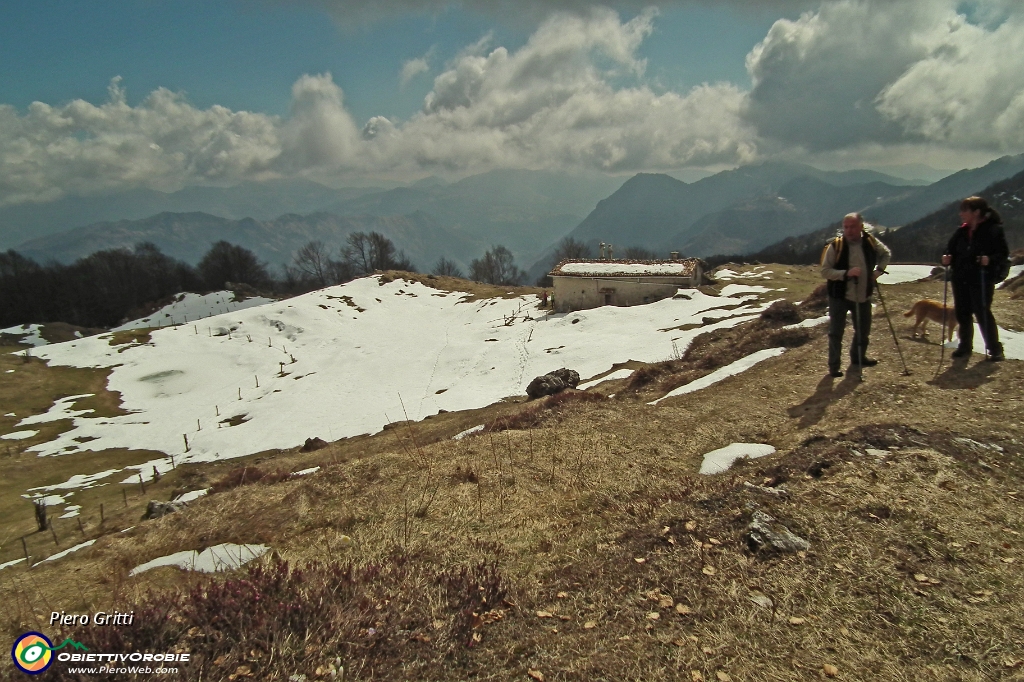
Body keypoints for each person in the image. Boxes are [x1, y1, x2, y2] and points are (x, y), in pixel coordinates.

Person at [820, 213, 892, 377]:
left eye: (852, 227)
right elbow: (825, 271)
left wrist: (878, 271)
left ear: (861, 226)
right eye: (846, 227)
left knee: (863, 329)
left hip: (863, 293)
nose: (849, 230)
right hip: (839, 295)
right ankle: (834, 366)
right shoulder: (836, 246)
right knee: (836, 331)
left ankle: (858, 358)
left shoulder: (870, 241)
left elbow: (886, 253)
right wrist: (846, 273)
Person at [941, 196, 1008, 362]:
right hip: (961, 277)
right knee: (962, 313)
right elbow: (950, 249)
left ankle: (994, 349)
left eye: (965, 210)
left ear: (976, 212)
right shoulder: (961, 231)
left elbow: (1003, 253)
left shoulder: (993, 230)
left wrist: (989, 260)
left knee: (982, 312)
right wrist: (946, 258)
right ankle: (965, 347)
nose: (961, 214)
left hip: (982, 278)